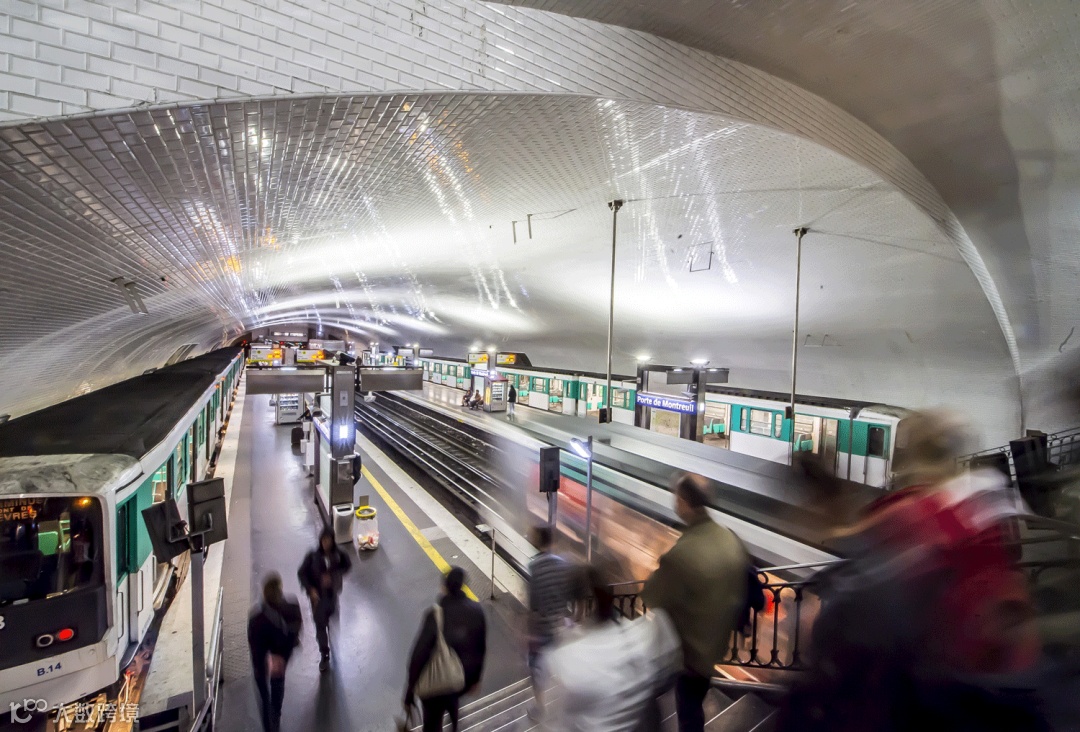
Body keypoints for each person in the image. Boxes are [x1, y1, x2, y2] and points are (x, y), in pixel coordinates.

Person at [641, 474, 747, 732]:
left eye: (676, 498)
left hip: (689, 655)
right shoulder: (728, 538)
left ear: (684, 502)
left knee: (685, 711)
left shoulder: (682, 555)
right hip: (715, 646)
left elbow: (651, 596)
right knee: (695, 703)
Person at [545, 565, 681, 731]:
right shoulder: (643, 634)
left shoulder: (569, 660)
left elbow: (558, 721)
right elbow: (669, 669)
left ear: (582, 604)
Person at [405, 567, 487, 732]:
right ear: (463, 585)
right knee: (452, 698)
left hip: (437, 687)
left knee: (432, 723)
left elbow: (419, 655)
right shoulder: (477, 611)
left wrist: (410, 690)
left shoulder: (435, 615)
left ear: (444, 588)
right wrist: (476, 679)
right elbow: (481, 649)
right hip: (461, 680)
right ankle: (454, 724)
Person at [247, 573, 302, 732]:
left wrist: (264, 662)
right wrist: (280, 657)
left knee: (264, 695)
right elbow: (295, 633)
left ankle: (269, 726)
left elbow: (254, 645)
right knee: (277, 684)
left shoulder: (256, 617)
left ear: (264, 593)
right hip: (280, 657)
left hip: (261, 661)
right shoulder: (292, 607)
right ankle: (276, 716)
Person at [526, 525, 569, 718]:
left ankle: (540, 707)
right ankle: (563, 704)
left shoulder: (534, 567)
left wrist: (526, 632)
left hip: (540, 628)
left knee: (536, 668)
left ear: (538, 541)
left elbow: (533, 604)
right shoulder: (562, 564)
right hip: (559, 625)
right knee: (558, 664)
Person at [297, 527, 352, 671]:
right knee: (320, 626)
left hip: (332, 596)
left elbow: (347, 566)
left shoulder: (338, 554)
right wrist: (310, 589)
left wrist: (335, 576)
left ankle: (330, 637)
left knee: (331, 621)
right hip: (318, 599)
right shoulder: (313, 556)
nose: (325, 543)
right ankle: (324, 654)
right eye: (323, 540)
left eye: (328, 540)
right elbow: (302, 573)